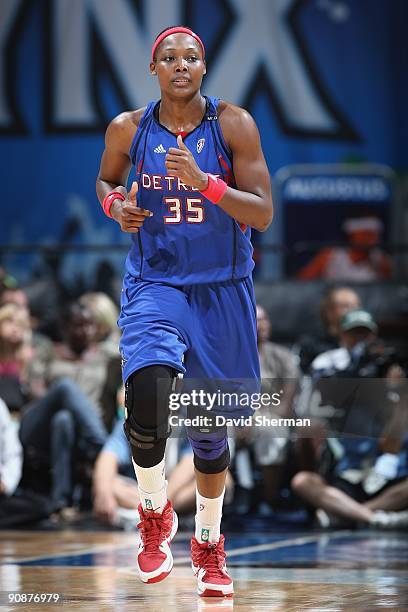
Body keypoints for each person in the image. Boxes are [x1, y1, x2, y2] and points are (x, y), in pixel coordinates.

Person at [96, 26, 273, 598]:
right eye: (169, 57)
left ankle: (208, 542)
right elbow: (106, 180)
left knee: (210, 430)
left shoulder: (233, 125)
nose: (180, 65)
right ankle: (154, 515)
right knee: (146, 392)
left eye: (191, 57)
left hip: (222, 288)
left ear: (203, 68)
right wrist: (115, 205)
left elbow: (263, 213)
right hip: (156, 283)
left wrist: (207, 184)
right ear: (154, 68)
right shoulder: (129, 127)